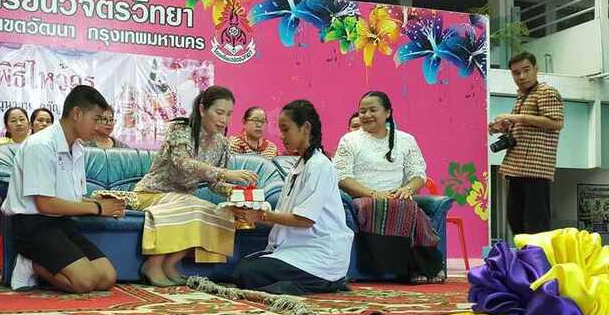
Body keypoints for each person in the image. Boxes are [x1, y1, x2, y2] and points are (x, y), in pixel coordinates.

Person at [1, 85, 126, 293]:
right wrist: (97, 208)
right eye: (96, 119)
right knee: (85, 282)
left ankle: (47, 265)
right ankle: (30, 264)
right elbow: (45, 204)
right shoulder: (41, 145)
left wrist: (107, 205)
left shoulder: (77, 148)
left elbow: (74, 197)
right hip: (32, 225)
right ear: (77, 114)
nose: (98, 127)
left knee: (107, 278)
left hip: (61, 222)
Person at [132, 86, 258, 286]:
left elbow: (214, 184)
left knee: (215, 211)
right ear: (202, 109)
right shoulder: (181, 130)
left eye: (229, 114)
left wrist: (235, 191)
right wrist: (225, 173)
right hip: (151, 194)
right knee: (191, 205)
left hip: (183, 201)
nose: (224, 119)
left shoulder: (222, 144)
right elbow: (184, 163)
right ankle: (152, 265)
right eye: (219, 112)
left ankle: (170, 265)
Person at [233, 100, 354, 295]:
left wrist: (261, 215)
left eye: (285, 129)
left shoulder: (319, 165)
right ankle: (307, 283)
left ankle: (325, 282)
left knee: (247, 273)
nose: (281, 136)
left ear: (305, 128)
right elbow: (285, 217)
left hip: (320, 253)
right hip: (298, 249)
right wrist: (250, 214)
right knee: (244, 268)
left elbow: (305, 220)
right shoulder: (299, 165)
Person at [333, 91, 443, 283]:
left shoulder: (406, 140)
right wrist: (374, 194)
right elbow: (342, 177)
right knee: (372, 206)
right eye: (362, 111)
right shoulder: (349, 140)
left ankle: (422, 268)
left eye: (372, 110)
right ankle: (400, 268)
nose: (366, 115)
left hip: (398, 198)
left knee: (409, 207)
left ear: (388, 112)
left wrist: (407, 189)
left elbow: (418, 174)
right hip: (362, 199)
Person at [490, 51, 564, 235]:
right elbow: (525, 128)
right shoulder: (523, 96)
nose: (521, 76)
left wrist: (517, 117)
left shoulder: (546, 91)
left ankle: (535, 254)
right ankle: (524, 253)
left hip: (536, 168)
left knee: (535, 223)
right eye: (516, 73)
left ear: (536, 69)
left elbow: (556, 122)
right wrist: (502, 127)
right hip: (517, 167)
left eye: (526, 70)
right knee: (515, 219)